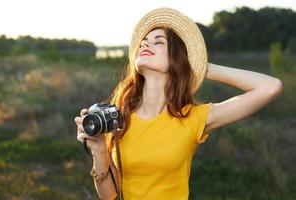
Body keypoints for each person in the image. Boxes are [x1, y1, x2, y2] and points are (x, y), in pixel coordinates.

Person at [74, 7, 283, 200]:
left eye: (158, 42)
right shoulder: (119, 117)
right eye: (144, 42)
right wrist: (99, 150)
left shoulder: (193, 117)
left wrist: (202, 66)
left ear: (177, 58)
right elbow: (109, 194)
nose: (145, 44)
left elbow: (270, 87)